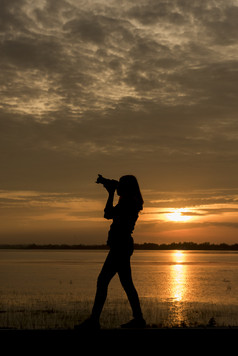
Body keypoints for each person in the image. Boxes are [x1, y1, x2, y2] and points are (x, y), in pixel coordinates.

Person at [75, 175, 146, 329]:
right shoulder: (130, 201)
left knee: (103, 281)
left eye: (121, 185)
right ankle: (138, 319)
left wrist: (110, 193)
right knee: (127, 284)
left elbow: (108, 214)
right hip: (122, 246)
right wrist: (109, 186)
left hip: (120, 247)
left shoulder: (127, 203)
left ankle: (94, 321)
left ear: (126, 188)